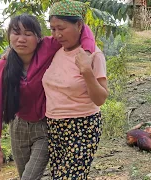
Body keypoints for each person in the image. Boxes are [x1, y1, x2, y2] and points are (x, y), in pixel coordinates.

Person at [0, 14, 95, 179]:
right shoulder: (5, 64)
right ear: (9, 36)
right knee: (26, 175)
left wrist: (87, 52)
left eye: (28, 34)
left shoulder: (47, 47)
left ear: (38, 37)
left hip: (44, 126)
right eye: (16, 33)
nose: (21, 39)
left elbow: (82, 29)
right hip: (18, 127)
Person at [42, 0, 108, 179]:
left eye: (61, 28)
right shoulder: (56, 52)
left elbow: (101, 98)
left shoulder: (94, 55)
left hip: (82, 126)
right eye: (53, 29)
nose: (57, 34)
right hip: (55, 126)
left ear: (79, 25)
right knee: (58, 175)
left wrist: (86, 71)